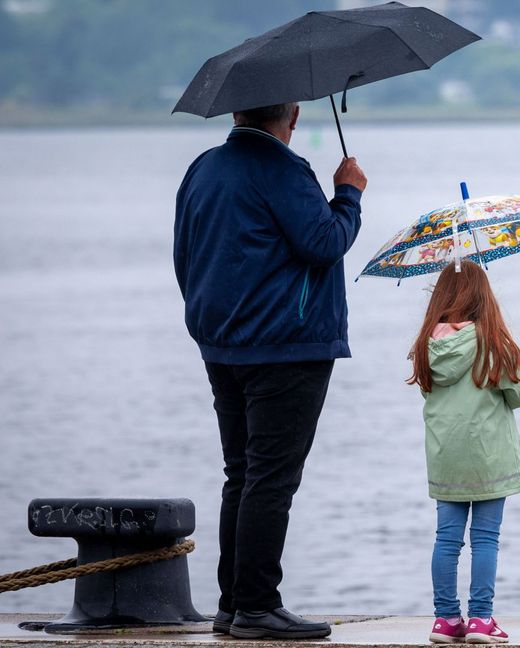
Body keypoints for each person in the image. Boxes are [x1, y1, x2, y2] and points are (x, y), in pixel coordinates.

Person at [173, 102, 368, 640]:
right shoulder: (285, 169)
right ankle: (258, 605)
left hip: (222, 345)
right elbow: (324, 243)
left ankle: (233, 605)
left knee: (242, 472)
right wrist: (348, 194)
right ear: (296, 114)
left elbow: (184, 257)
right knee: (271, 478)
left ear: (235, 109)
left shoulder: (203, 167)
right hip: (287, 346)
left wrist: (210, 324)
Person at [407, 260, 520, 645]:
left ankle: (445, 620)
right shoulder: (492, 343)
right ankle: (481, 619)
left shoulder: (426, 346)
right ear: (484, 298)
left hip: (446, 457)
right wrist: (518, 361)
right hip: (489, 458)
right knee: (485, 539)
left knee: (446, 539)